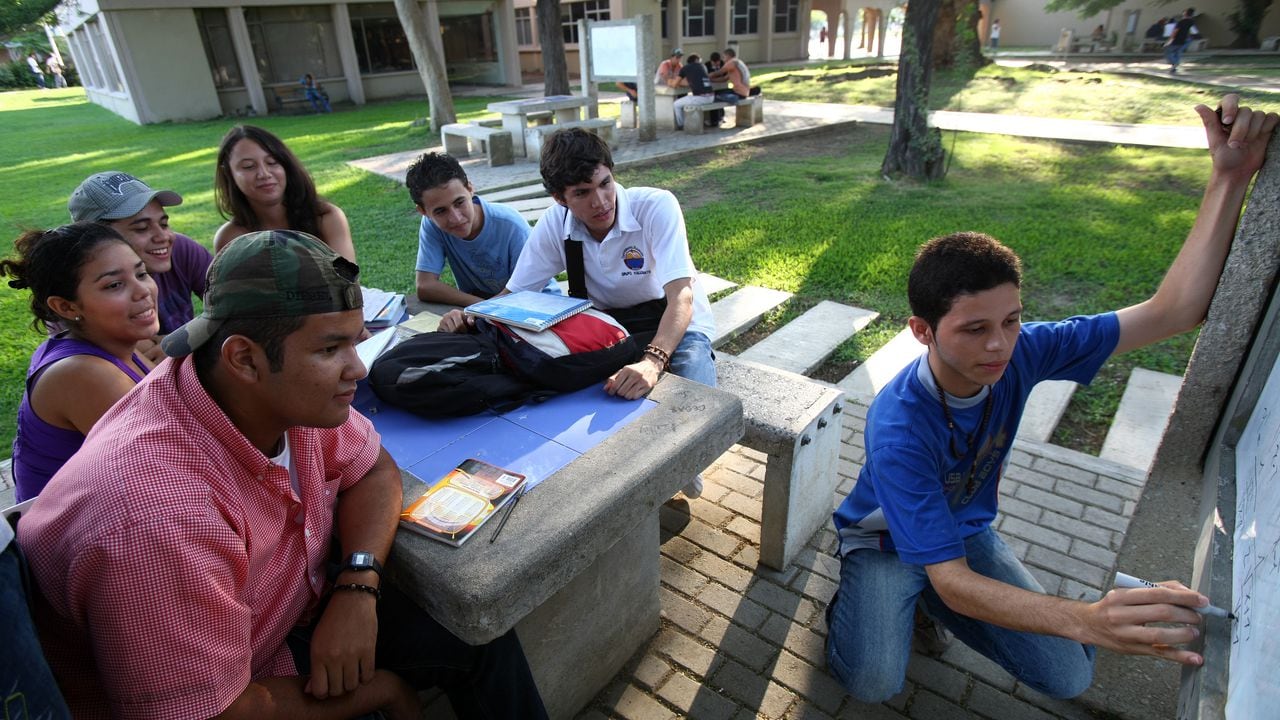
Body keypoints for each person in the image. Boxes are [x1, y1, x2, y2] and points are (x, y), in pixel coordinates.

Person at [824, 95, 1279, 705]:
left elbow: (1174, 312)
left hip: (959, 538)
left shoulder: (1027, 350)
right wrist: (1086, 618)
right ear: (922, 331)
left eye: (1012, 320)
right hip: (882, 543)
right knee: (872, 681)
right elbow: (959, 582)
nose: (1000, 346)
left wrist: (1229, 175)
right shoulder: (901, 424)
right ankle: (861, 605)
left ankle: (923, 597)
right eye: (975, 328)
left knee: (1069, 676)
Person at [18, 229, 549, 719]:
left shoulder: (270, 393)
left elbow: (372, 468)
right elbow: (215, 712)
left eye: (353, 341)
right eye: (330, 349)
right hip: (225, 688)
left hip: (288, 618)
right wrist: (383, 690)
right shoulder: (157, 517)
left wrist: (357, 585)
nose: (358, 368)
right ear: (244, 359)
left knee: (478, 638)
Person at [440, 128, 716, 496]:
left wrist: (654, 360)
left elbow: (682, 295)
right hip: (610, 328)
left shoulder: (654, 206)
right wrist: (471, 315)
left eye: (605, 183)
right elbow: (515, 293)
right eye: (582, 193)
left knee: (695, 399)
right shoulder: (557, 224)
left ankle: (687, 460)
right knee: (581, 406)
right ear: (560, 198)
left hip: (673, 320)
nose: (601, 201)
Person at [3, 222, 159, 501]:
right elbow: (166, 467)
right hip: (74, 537)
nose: (143, 291)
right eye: (114, 285)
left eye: (141, 273)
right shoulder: (82, 373)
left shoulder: (113, 343)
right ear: (66, 307)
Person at [69, 170, 213, 358]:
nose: (163, 237)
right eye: (142, 228)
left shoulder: (181, 249)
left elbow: (239, 303)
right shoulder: (73, 284)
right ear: (98, 237)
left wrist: (182, 341)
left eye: (163, 224)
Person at [406, 151, 557, 306]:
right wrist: (481, 307)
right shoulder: (431, 225)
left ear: (470, 189)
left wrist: (483, 309)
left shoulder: (510, 225)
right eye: (440, 211)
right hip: (489, 309)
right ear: (424, 212)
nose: (456, 218)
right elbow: (425, 285)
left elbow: (526, 291)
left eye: (459, 202)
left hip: (538, 305)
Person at [213, 124, 356, 262]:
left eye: (272, 162)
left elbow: (347, 283)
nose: (264, 174)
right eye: (248, 166)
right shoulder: (230, 238)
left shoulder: (326, 217)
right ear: (228, 173)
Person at [673, 53, 717, 130]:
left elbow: (675, 84)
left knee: (676, 104)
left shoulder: (685, 68)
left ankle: (681, 125)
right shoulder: (703, 67)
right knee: (688, 99)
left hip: (701, 98)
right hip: (711, 97)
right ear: (696, 60)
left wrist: (669, 80)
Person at [1165, 8, 1197, 74]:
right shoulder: (1192, 22)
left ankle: (1175, 64)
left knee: (1168, 51)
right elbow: (1194, 32)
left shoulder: (1181, 22)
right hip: (1186, 40)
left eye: (1184, 12)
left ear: (1185, 13)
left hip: (1177, 39)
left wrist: (1170, 40)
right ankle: (1174, 68)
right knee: (1178, 53)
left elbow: (1175, 32)